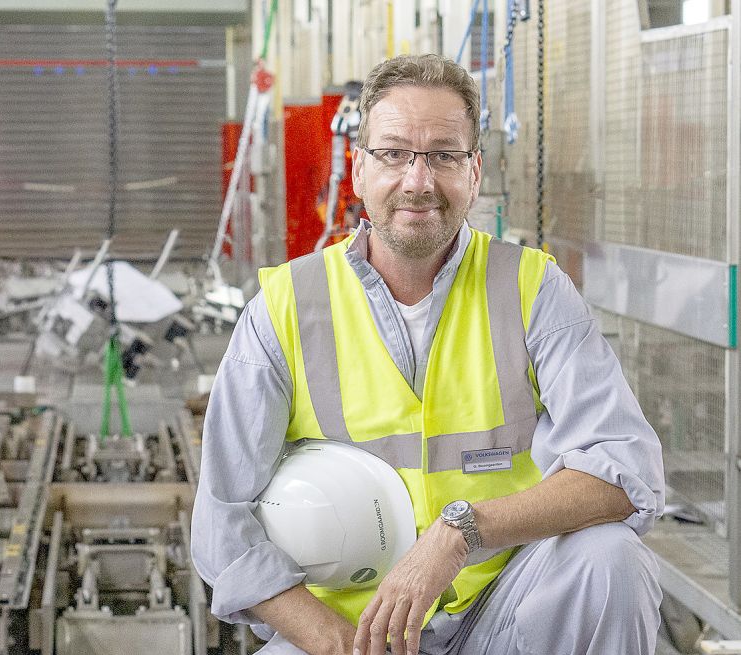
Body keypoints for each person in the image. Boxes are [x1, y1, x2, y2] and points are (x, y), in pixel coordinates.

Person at [191, 53, 664, 655]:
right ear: (359, 168)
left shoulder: (531, 289)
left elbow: (627, 469)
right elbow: (222, 525)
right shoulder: (284, 307)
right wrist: (338, 643)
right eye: (393, 154)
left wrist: (461, 532)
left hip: (505, 610)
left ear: (474, 171)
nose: (418, 181)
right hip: (351, 628)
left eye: (443, 154)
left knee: (612, 561)